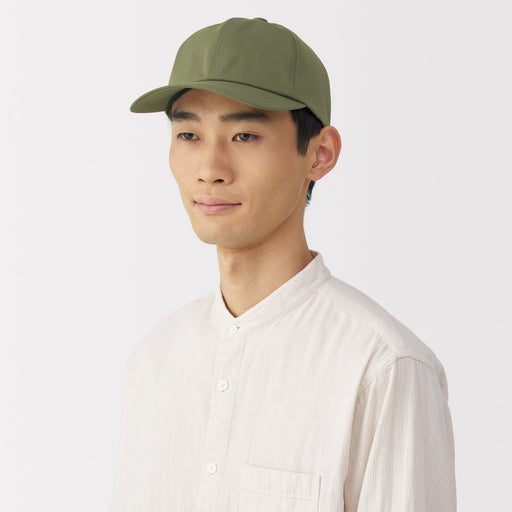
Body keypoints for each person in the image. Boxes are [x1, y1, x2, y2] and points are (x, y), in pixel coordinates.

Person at [109, 17, 456, 512]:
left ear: (320, 154)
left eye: (244, 135)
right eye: (188, 134)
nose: (209, 169)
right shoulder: (154, 360)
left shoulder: (383, 367)